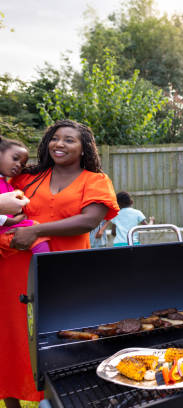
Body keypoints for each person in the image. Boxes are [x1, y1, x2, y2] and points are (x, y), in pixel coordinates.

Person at [0, 119, 119, 407]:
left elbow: (89, 220)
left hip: (67, 272)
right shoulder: (28, 178)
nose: (59, 144)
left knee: (66, 337)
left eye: (69, 140)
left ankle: (67, 399)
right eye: (55, 138)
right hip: (14, 271)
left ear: (84, 148)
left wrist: (38, 230)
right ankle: (12, 400)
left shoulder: (95, 180)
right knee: (13, 338)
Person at [0, 136, 50, 256]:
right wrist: (10, 221)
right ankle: (46, 268)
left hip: (6, 231)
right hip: (4, 231)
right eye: (15, 158)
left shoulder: (8, 184)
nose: (18, 165)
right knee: (36, 233)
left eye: (22, 164)